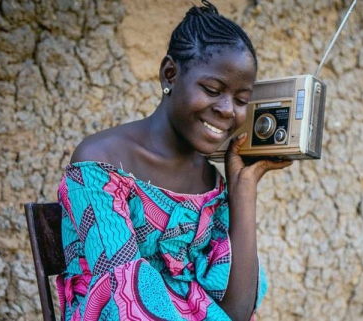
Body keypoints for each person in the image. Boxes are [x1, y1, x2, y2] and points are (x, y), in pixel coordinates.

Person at [56, 1, 292, 320]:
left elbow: (238, 311)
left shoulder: (210, 183)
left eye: (241, 100)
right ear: (170, 74)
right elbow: (123, 301)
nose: (227, 109)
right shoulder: (101, 164)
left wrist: (243, 190)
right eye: (212, 89)